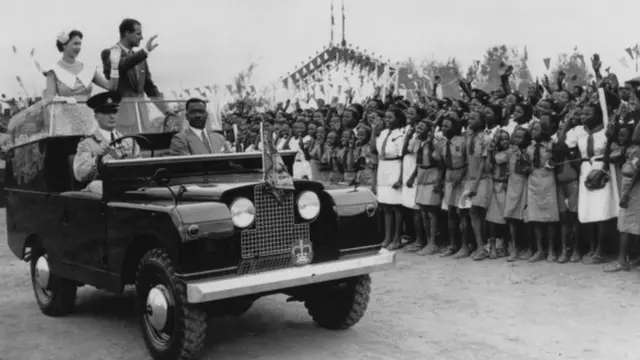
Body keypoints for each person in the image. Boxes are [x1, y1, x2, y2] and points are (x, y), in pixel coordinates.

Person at [9, 28, 121, 138]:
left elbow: (111, 87)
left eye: (80, 44)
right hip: (66, 120)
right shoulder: (53, 71)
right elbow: (49, 99)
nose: (78, 47)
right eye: (75, 44)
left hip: (89, 117)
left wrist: (115, 66)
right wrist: (67, 100)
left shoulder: (88, 68)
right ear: (64, 45)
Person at [101, 18, 174, 134]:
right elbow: (123, 64)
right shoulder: (109, 53)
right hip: (122, 121)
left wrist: (166, 109)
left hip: (143, 121)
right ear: (127, 33)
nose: (142, 37)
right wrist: (145, 52)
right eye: (138, 34)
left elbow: (150, 88)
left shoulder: (141, 60)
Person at [73, 91, 140, 194]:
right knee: (96, 186)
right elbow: (79, 174)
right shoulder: (87, 143)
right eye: (106, 112)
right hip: (103, 188)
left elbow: (142, 169)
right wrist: (97, 159)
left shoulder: (130, 141)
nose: (112, 116)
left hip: (131, 185)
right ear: (96, 117)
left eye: (114, 111)